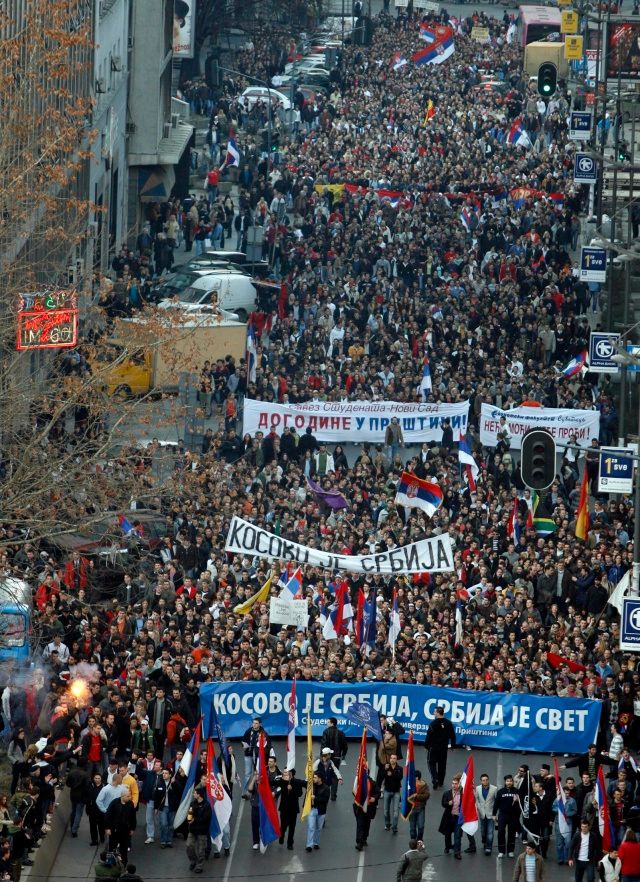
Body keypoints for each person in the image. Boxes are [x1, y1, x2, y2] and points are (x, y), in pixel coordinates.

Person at [424, 707, 456, 791]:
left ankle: (435, 779)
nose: (434, 713)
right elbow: (452, 735)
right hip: (443, 749)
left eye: (434, 712)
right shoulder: (449, 723)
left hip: (433, 748)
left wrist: (426, 746)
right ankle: (441, 782)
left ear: (438, 713)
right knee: (442, 765)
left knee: (431, 763)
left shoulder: (433, 724)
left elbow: (428, 736)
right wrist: (453, 746)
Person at [104, 787, 136, 866]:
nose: (130, 797)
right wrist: (107, 828)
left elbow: (133, 817)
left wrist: (132, 828)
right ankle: (111, 863)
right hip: (115, 830)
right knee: (112, 847)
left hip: (125, 830)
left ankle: (124, 863)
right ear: (123, 796)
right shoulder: (114, 803)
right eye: (128, 796)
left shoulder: (131, 804)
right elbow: (108, 815)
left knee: (124, 848)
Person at [277, 768, 305, 850]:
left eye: (287, 773)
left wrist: (292, 789)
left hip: (293, 809)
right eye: (284, 772)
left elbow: (299, 794)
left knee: (292, 827)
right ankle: (281, 836)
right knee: (283, 826)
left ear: (292, 774)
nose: (285, 774)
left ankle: (290, 843)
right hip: (284, 808)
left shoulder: (297, 782)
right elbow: (272, 783)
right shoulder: (281, 781)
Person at [320, 718, 348, 799]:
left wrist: (322, 757)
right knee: (335, 775)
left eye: (328, 722)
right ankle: (333, 795)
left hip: (327, 757)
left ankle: (326, 793)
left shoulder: (326, 731)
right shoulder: (341, 733)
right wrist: (343, 756)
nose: (326, 723)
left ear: (332, 723)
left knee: (325, 774)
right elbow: (345, 746)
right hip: (337, 757)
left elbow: (323, 745)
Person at [186, 788, 211, 873]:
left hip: (202, 831)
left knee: (201, 850)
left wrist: (195, 820)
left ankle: (199, 866)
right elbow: (190, 814)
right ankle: (193, 861)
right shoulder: (192, 804)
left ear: (199, 795)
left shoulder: (206, 805)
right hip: (192, 830)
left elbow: (206, 818)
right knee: (189, 846)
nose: (194, 794)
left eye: (195, 793)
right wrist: (189, 818)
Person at [494, 774, 520, 859]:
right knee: (501, 832)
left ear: (512, 782)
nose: (509, 782)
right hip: (503, 815)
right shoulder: (500, 792)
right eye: (507, 781)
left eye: (510, 781)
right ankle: (501, 851)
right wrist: (494, 814)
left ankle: (510, 851)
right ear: (505, 782)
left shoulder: (516, 791)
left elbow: (520, 805)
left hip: (513, 815)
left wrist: (516, 801)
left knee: (511, 833)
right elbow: (496, 804)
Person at [439, 775, 464, 859]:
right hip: (448, 817)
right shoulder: (447, 793)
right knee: (447, 834)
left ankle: (457, 852)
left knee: (457, 835)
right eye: (453, 783)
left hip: (458, 817)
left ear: (459, 784)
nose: (454, 785)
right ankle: (447, 847)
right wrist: (447, 803)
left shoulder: (462, 794)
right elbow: (443, 803)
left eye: (456, 784)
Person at [378, 753, 403, 834]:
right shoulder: (386, 767)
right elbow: (381, 776)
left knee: (396, 812)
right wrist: (385, 770)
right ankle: (387, 824)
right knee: (386, 811)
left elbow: (399, 777)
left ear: (396, 760)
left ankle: (394, 827)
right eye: (391, 758)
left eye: (394, 758)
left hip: (396, 792)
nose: (392, 759)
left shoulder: (400, 768)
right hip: (387, 791)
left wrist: (392, 774)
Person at [353, 775, 380, 851]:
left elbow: (378, 792)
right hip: (360, 807)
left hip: (369, 808)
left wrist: (374, 798)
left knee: (367, 824)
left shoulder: (373, 783)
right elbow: (355, 792)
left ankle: (364, 838)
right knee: (360, 824)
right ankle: (359, 842)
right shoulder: (358, 782)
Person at [305, 771, 329, 853]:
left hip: (321, 810)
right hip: (312, 809)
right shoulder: (311, 786)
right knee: (311, 827)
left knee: (318, 828)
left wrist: (315, 798)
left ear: (320, 778)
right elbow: (307, 796)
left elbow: (325, 800)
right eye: (313, 777)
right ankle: (309, 845)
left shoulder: (326, 788)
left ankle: (316, 843)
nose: (313, 779)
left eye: (315, 777)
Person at [475, 772, 497, 856]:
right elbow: (476, 799)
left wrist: (495, 813)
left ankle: (489, 847)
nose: (485, 781)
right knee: (483, 831)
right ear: (481, 781)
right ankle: (484, 841)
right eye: (483, 780)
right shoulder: (477, 788)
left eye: (486, 780)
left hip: (491, 814)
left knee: (490, 832)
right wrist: (479, 809)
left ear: (488, 780)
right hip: (482, 813)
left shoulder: (494, 789)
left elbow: (496, 801)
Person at [408, 771, 430, 842]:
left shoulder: (424, 785)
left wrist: (417, 796)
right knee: (412, 828)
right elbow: (406, 796)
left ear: (417, 778)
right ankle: (413, 842)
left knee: (421, 826)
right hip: (412, 809)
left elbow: (427, 796)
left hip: (420, 808)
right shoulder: (410, 785)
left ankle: (419, 840)